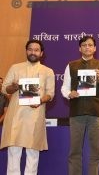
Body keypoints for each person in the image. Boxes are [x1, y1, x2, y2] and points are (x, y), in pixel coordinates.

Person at [0, 39, 55, 175]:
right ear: (26, 51)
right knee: (14, 153)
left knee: (33, 154)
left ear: (41, 53)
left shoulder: (48, 71)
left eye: (36, 50)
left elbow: (50, 94)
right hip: (15, 116)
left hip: (35, 115)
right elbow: (4, 90)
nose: (33, 52)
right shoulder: (15, 67)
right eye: (30, 49)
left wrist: (40, 100)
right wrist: (15, 86)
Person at [61, 36, 99, 175]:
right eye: (84, 45)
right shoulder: (71, 65)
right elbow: (64, 88)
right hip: (76, 112)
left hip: (96, 113)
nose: (87, 47)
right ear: (80, 48)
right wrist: (69, 94)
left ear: (95, 48)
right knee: (75, 150)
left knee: (96, 150)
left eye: (90, 45)